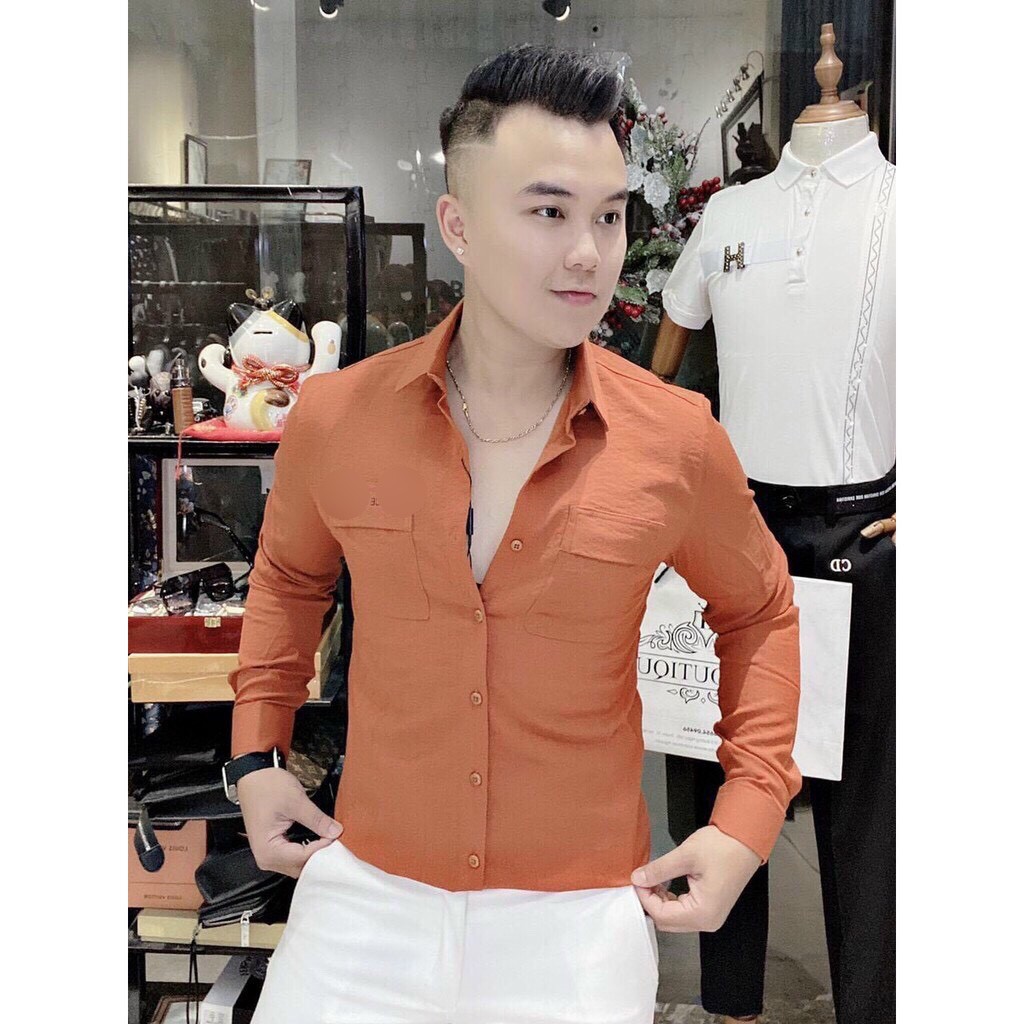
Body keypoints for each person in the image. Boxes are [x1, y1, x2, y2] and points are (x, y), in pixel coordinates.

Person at [226, 43, 802, 1024]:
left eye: (609, 216)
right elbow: (287, 577)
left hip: (577, 923)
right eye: (547, 212)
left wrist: (746, 818)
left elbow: (761, 612)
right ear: (457, 224)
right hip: (364, 894)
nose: (588, 252)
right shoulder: (338, 418)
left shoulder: (673, 439)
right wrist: (255, 751)